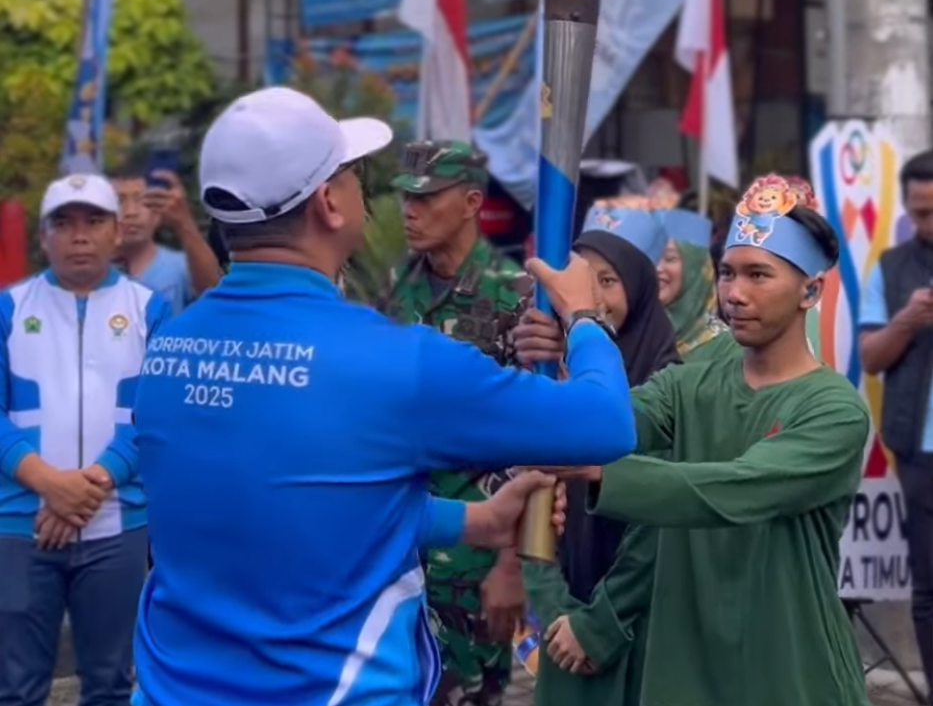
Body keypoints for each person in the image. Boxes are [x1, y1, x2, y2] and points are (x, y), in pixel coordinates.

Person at [131, 87, 638, 706]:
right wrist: (583, 314)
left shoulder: (167, 348)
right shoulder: (396, 362)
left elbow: (308, 499)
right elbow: (606, 423)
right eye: (355, 176)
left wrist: (478, 521)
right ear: (329, 204)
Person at [516, 174, 871, 706]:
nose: (735, 294)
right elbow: (616, 420)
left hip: (790, 664)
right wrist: (566, 352)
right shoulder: (698, 374)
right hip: (684, 661)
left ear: (811, 290)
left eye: (758, 275)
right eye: (728, 273)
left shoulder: (834, 410)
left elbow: (734, 489)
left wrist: (595, 470)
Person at [0, 173, 171, 706]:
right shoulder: (9, 310)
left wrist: (86, 488)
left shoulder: (150, 310)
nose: (79, 235)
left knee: (110, 685)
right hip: (18, 530)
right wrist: (49, 484)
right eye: (64, 223)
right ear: (44, 237)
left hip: (118, 529)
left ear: (116, 232)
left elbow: (154, 414)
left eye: (94, 221)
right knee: (16, 687)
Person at [384, 140, 533, 706]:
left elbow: (537, 444)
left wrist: (511, 564)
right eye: (405, 199)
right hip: (397, 545)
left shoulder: (513, 296)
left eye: (426, 199)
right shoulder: (391, 290)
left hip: (473, 560)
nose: (410, 212)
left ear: (472, 202)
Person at [522, 224, 679, 706]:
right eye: (579, 279)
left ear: (637, 285)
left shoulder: (672, 387)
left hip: (646, 628)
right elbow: (532, 502)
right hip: (564, 630)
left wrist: (600, 625)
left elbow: (663, 520)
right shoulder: (549, 382)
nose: (588, 295)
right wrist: (556, 612)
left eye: (605, 280)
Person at [860, 148, 933, 695]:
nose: (927, 223)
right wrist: (908, 318)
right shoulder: (891, 267)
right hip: (918, 452)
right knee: (928, 589)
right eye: (919, 213)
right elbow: (871, 357)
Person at [112, 163, 222, 316]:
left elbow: (215, 295)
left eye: (141, 200)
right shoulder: (92, 271)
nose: (130, 212)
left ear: (158, 213)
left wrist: (184, 223)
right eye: (119, 201)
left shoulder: (184, 266)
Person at [656, 208, 734, 363]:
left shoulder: (728, 350)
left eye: (669, 258)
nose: (657, 268)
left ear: (694, 267)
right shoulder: (633, 335)